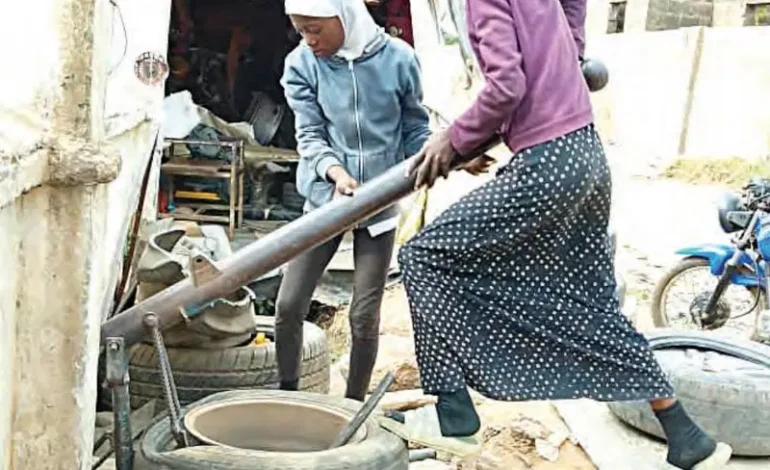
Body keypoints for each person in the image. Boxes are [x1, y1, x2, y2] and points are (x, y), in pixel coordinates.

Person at [382, 0, 733, 468]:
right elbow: (573, 25)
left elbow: (506, 85)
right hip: (585, 157)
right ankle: (686, 435)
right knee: (591, 303)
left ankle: (453, 414)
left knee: (424, 256)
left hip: (547, 164)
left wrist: (456, 138)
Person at [275, 0, 431, 402]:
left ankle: (352, 407)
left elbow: (415, 128)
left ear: (344, 15)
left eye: (315, 29)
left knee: (363, 316)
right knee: (289, 305)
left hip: (381, 199)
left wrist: (439, 158)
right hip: (328, 197)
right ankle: (288, 395)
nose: (309, 41)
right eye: (301, 31)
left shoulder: (399, 60)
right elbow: (308, 134)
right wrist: (335, 173)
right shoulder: (301, 66)